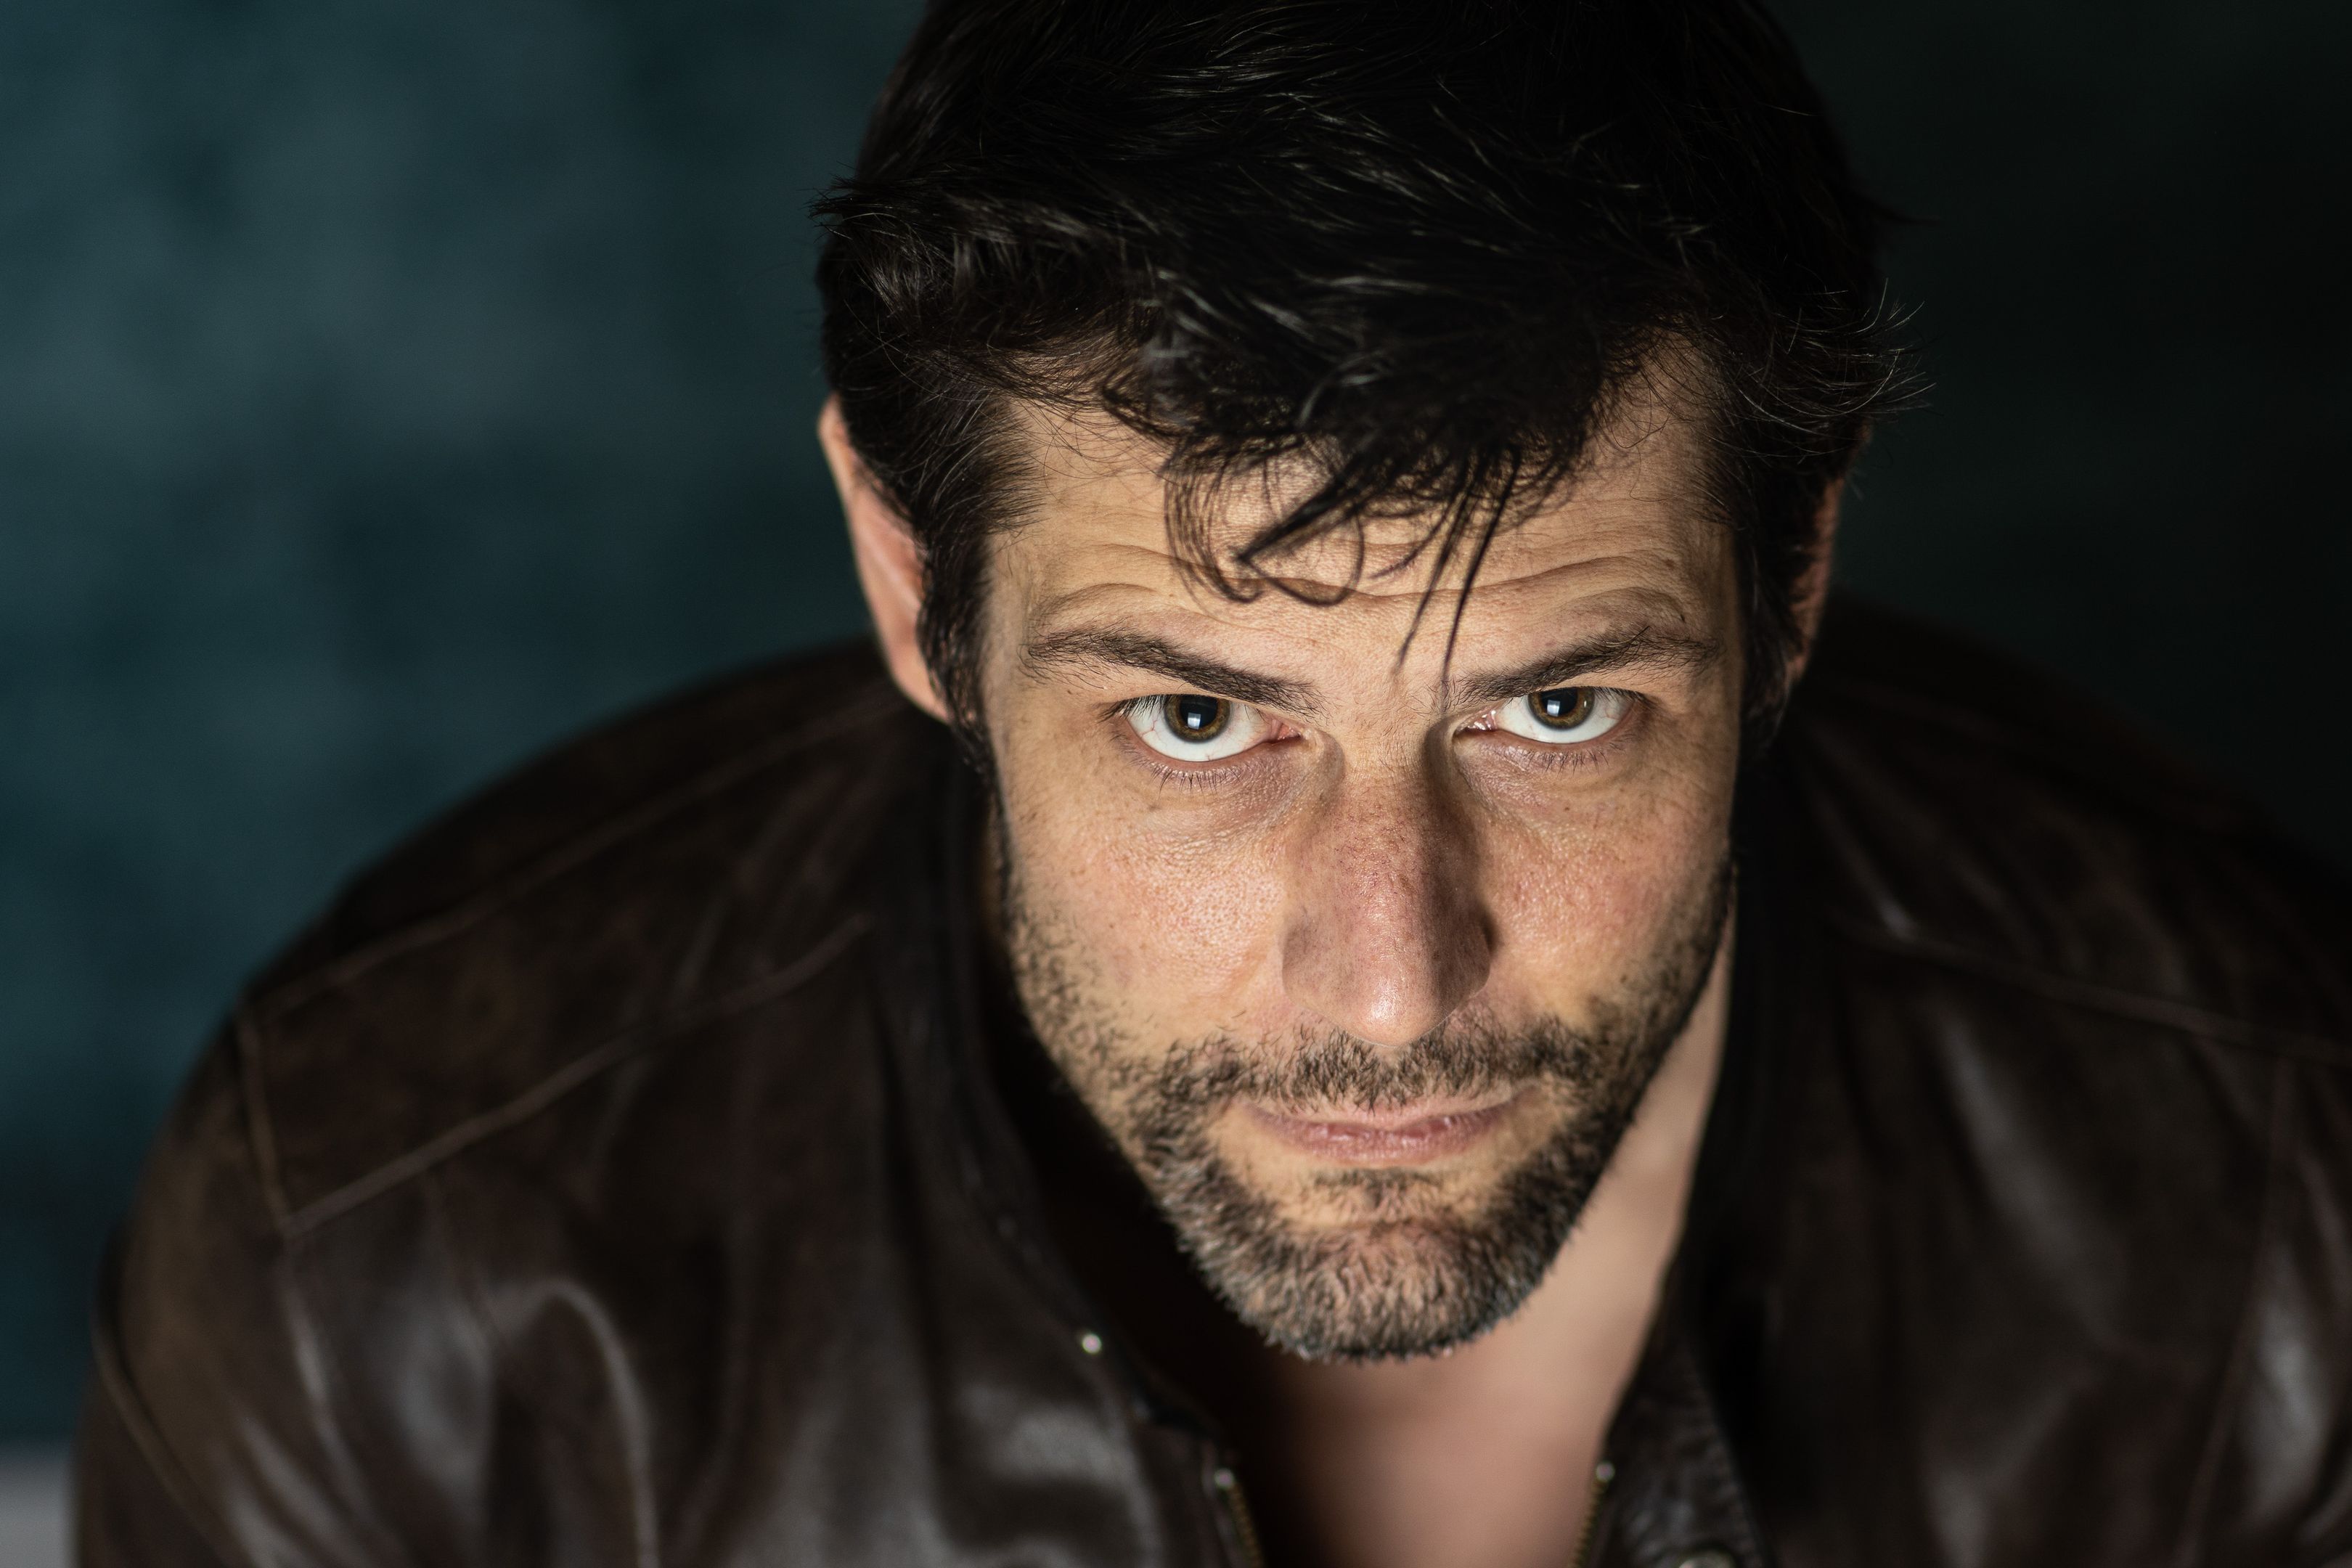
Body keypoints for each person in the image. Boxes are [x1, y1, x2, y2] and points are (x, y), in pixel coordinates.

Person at [75, 0, 2352, 1563]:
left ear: (1796, 583)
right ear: (912, 581)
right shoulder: (383, 1242)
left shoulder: (2286, 1184)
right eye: (1197, 720)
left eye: (1558, 711)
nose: (1390, 987)